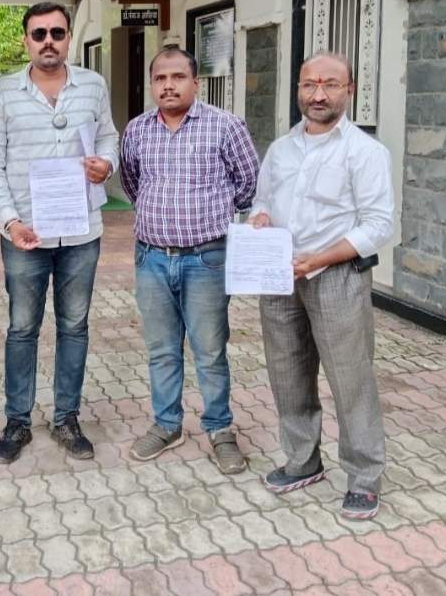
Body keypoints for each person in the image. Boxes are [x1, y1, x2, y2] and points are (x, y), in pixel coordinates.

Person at [249, 50, 394, 521]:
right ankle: (302, 460)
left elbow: (378, 224)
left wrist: (320, 258)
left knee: (351, 380)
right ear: (298, 89)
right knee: (287, 373)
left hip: (337, 278)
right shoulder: (281, 149)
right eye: (309, 84)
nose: (318, 94)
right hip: (279, 276)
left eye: (330, 84)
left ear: (349, 90)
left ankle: (364, 477)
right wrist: (260, 217)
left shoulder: (365, 152)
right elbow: (261, 200)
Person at [0, 2, 119, 464]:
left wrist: (106, 164)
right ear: (25, 40)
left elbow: (109, 137)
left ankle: (66, 418)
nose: (48, 42)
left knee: (74, 326)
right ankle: (17, 421)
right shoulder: (2, 93)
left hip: (81, 232)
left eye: (57, 33)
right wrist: (10, 220)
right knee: (22, 328)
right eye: (39, 33)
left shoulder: (93, 85)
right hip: (27, 235)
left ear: (68, 39)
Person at [120, 45, 259, 474]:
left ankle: (220, 429)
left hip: (207, 260)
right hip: (152, 260)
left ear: (195, 82)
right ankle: (167, 425)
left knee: (210, 350)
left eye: (178, 77)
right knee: (162, 350)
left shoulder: (226, 126)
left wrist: (214, 216)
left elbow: (248, 184)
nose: (169, 86)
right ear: (152, 84)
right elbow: (132, 183)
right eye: (160, 78)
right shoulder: (137, 130)